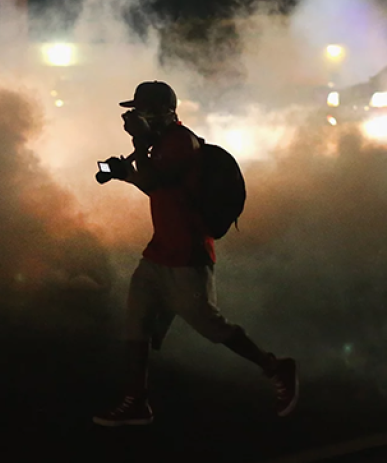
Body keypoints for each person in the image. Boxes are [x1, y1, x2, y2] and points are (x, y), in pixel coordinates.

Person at [92, 81, 298, 427]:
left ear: (160, 113)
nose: (132, 116)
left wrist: (139, 145)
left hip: (186, 254)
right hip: (159, 252)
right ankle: (136, 401)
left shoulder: (179, 142)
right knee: (136, 322)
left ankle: (277, 368)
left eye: (139, 110)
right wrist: (125, 171)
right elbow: (153, 184)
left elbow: (155, 180)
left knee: (210, 325)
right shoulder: (160, 143)